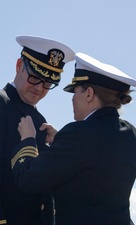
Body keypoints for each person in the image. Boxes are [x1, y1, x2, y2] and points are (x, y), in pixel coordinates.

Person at [0, 35, 75, 225]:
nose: (39, 88)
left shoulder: (40, 120)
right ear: (19, 66)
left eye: (48, 83)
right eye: (35, 77)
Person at [12, 52, 136, 225]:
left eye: (75, 91)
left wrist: (28, 140)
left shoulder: (78, 134)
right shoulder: (130, 133)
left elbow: (27, 179)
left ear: (89, 94)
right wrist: (60, 143)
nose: (72, 99)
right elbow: (93, 161)